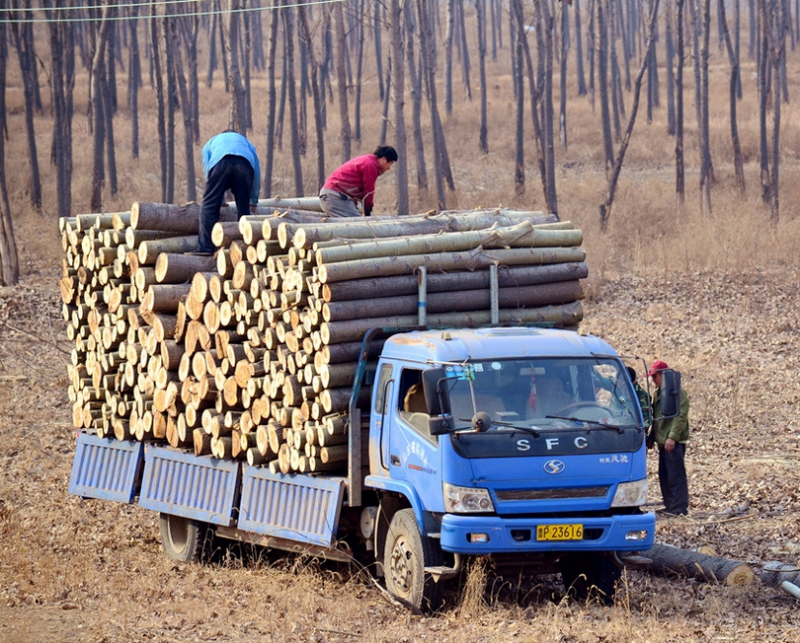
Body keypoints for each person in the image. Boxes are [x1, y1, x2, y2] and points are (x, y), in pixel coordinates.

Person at [197, 130, 261, 254]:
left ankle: (205, 249)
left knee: (209, 206)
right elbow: (257, 171)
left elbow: (208, 170)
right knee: (243, 208)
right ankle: (242, 246)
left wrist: (218, 200)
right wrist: (253, 199)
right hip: (245, 163)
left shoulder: (211, 143)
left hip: (220, 162)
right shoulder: (246, 142)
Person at [648, 360, 690, 516]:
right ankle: (669, 505)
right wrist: (652, 436)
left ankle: (679, 508)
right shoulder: (658, 393)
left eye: (655, 377)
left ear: (663, 376)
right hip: (662, 441)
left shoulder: (677, 392)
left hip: (673, 442)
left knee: (676, 475)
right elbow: (657, 417)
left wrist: (672, 437)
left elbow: (680, 416)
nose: (653, 381)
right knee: (665, 475)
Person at [319, 145, 398, 217]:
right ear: (383, 159)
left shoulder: (368, 161)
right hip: (334, 197)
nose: (389, 168)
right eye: (390, 163)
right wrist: (368, 210)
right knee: (358, 225)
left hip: (333, 196)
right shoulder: (370, 165)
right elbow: (368, 191)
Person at [627, 366, 652, 436]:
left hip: (636, 437)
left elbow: (646, 421)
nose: (621, 385)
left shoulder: (642, 395)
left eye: (623, 383)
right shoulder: (618, 391)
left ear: (633, 382)